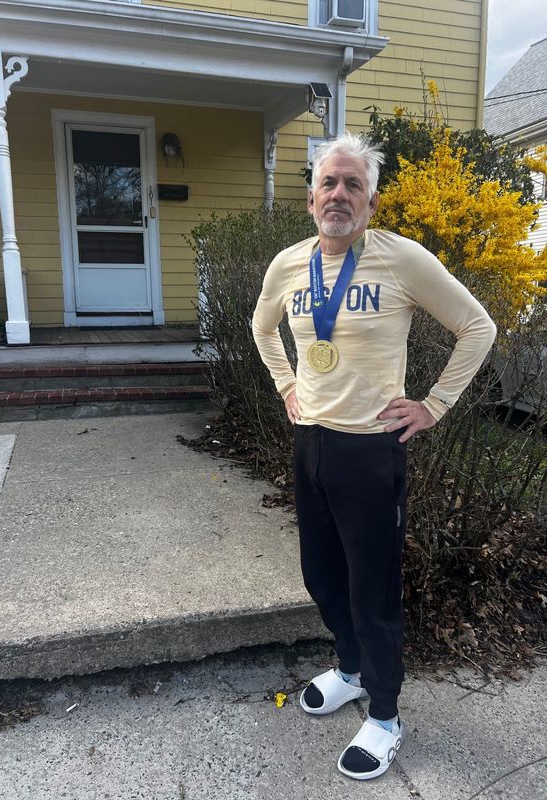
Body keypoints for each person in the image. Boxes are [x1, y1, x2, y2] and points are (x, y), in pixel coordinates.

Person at [252, 133, 496, 781]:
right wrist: (285, 384)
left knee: (373, 589)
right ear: (311, 199)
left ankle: (384, 715)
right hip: (312, 444)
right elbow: (260, 326)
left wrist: (434, 405)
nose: (339, 194)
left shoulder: (402, 259)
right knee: (322, 576)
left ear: (371, 200)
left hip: (372, 452)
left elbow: (478, 327)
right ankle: (352, 670)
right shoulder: (288, 265)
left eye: (352, 184)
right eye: (329, 183)